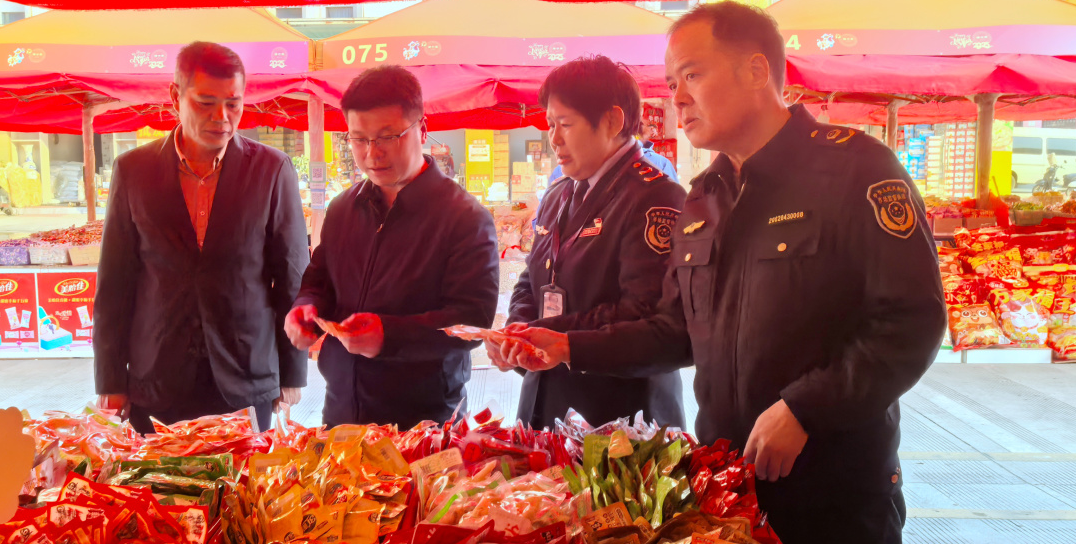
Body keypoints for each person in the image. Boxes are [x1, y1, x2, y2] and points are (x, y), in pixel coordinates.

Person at [510, 2, 945, 544]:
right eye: (671, 80)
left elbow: (912, 321)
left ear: (754, 70)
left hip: (835, 496)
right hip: (732, 497)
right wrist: (566, 348)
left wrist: (805, 408)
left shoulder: (855, 169)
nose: (675, 97)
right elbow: (674, 331)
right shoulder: (704, 198)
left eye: (691, 75)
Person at [94, 42, 309, 433]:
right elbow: (115, 285)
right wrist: (110, 380)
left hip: (246, 375)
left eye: (233, 103)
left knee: (244, 491)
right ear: (176, 96)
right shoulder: (133, 171)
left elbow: (292, 278)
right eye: (206, 102)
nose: (222, 118)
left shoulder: (272, 170)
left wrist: (293, 370)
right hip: (157, 376)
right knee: (160, 490)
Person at [285, 65, 499, 427]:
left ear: (422, 129)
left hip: (424, 421)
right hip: (341, 412)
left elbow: (472, 321)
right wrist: (305, 308)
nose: (372, 154)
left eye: (387, 137)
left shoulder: (464, 217)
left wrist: (390, 335)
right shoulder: (343, 209)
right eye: (359, 139)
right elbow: (319, 278)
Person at [492, 55, 686, 429]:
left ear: (613, 121)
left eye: (565, 124)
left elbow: (642, 312)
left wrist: (554, 338)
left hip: (619, 419)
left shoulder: (654, 197)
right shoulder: (558, 193)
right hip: (545, 404)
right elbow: (530, 279)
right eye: (550, 124)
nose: (554, 139)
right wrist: (516, 333)